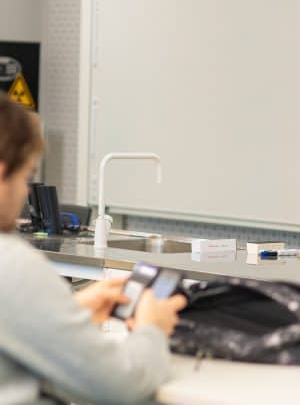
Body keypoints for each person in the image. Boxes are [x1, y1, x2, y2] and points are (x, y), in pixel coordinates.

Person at [0, 93, 187, 403]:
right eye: (25, 177)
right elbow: (120, 384)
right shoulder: (12, 267)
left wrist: (66, 315)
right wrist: (152, 330)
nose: (24, 193)